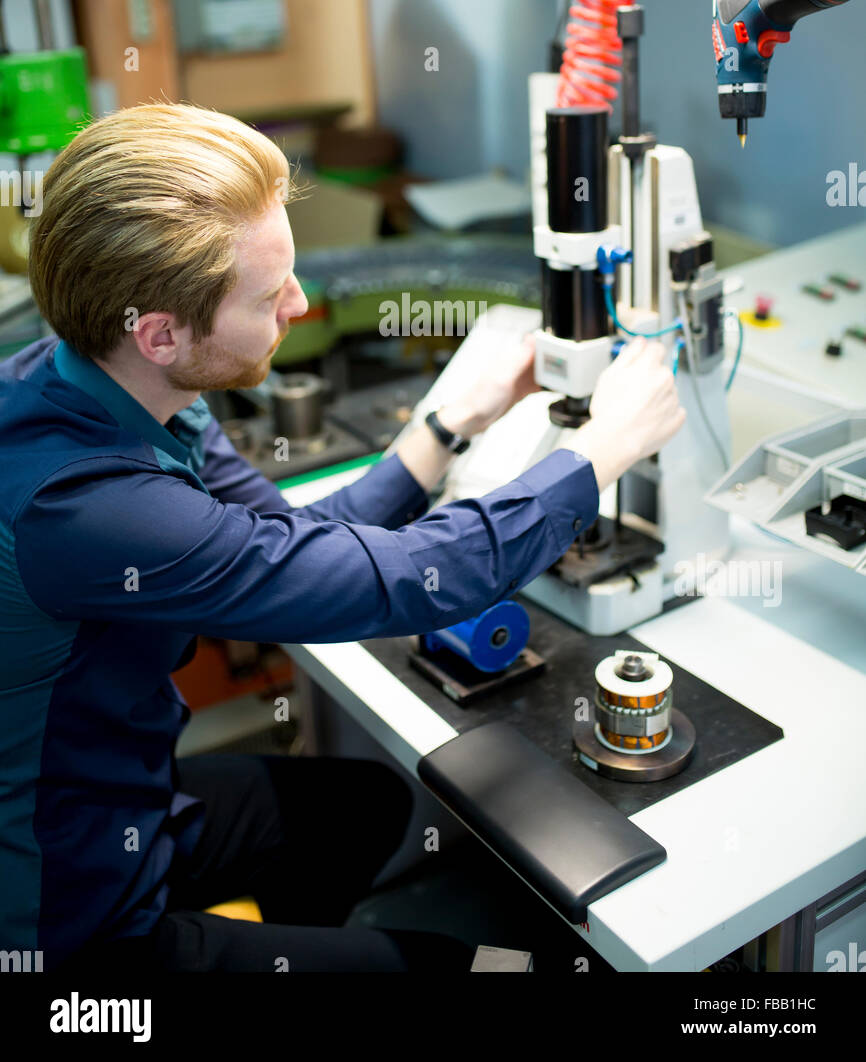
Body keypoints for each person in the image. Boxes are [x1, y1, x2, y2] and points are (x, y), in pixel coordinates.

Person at [0, 103, 685, 975]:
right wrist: (602, 452)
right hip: (63, 921)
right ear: (160, 333)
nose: (300, 301)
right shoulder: (82, 505)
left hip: (122, 802)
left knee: (360, 808)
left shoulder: (109, 378)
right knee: (478, 972)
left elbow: (285, 540)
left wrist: (448, 423)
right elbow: (404, 579)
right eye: (268, 294)